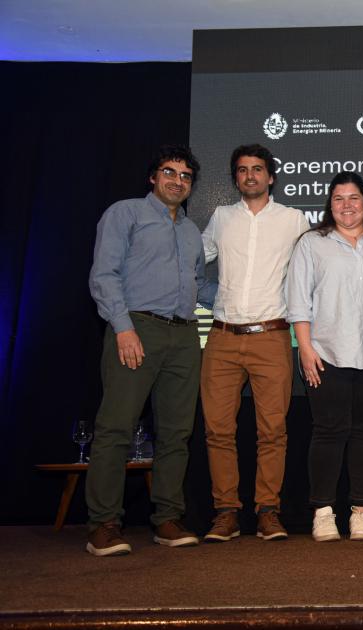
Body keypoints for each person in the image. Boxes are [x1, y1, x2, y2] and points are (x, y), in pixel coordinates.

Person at [86, 145, 216, 556]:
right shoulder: (125, 214)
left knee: (177, 432)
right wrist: (122, 328)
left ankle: (166, 519)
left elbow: (201, 287)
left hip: (184, 335)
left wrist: (251, 299)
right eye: (169, 172)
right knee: (116, 428)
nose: (177, 181)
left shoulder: (191, 231)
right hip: (137, 328)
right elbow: (104, 275)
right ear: (153, 177)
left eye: (185, 176)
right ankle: (104, 524)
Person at [199, 144, 310, 543]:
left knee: (273, 431)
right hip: (223, 338)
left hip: (272, 337)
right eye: (243, 170)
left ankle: (268, 511)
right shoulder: (221, 218)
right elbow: (195, 260)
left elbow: (312, 269)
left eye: (257, 169)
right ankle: (226, 512)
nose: (250, 176)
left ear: (271, 177)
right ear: (236, 178)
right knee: (217, 431)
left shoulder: (294, 220)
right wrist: (208, 296)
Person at [287, 171, 363, 542]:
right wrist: (304, 349)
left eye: (353, 198)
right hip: (326, 354)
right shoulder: (311, 243)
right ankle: (322, 512)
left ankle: (361, 512)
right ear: (329, 204)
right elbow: (298, 301)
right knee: (328, 433)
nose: (347, 205)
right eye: (338, 198)